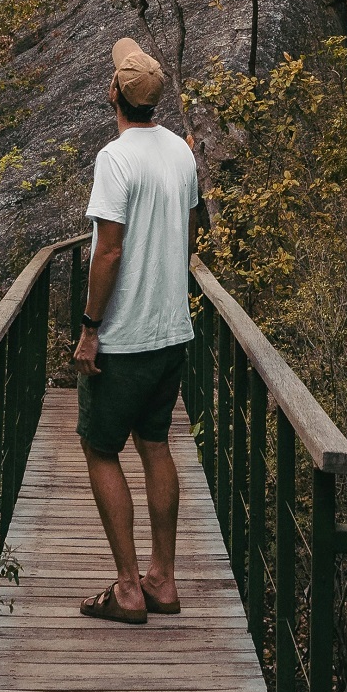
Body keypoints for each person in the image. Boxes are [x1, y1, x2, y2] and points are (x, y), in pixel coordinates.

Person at [70, 34, 200, 624]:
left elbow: (108, 253)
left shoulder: (114, 159)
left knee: (99, 449)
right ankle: (163, 580)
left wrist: (90, 327)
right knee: (156, 445)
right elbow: (188, 232)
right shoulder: (181, 153)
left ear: (114, 94)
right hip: (173, 332)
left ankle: (126, 588)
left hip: (122, 339)